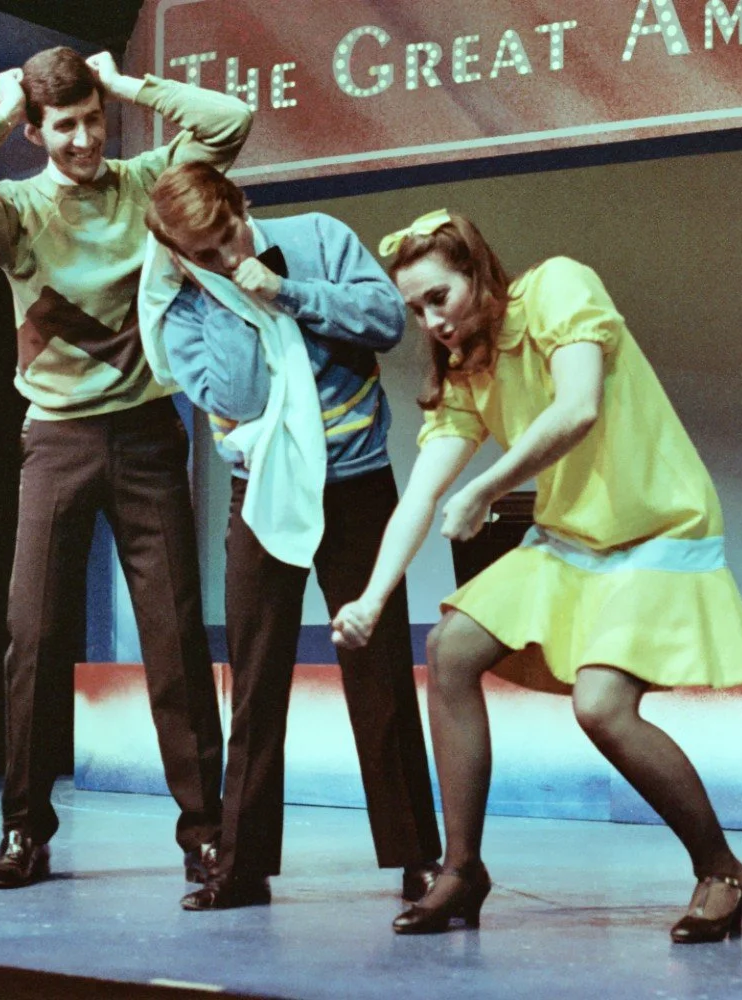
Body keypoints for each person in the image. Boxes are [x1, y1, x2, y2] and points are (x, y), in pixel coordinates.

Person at [332, 210, 742, 939]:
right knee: (450, 647)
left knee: (601, 708)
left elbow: (578, 407)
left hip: (659, 529)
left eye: (439, 296)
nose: (431, 320)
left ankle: (721, 869)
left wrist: (487, 488)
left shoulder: (558, 288)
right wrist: (372, 598)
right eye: (416, 310)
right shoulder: (466, 370)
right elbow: (420, 496)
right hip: (572, 541)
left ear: (477, 272)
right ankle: (461, 870)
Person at [0, 48, 253, 890]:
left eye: (92, 119)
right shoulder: (18, 211)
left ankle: (206, 833)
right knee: (32, 636)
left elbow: (231, 122)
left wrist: (129, 84)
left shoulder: (147, 183)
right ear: (37, 132)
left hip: (146, 435)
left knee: (174, 636)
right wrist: (2, 112)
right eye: (63, 125)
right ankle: (24, 832)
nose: (83, 138)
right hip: (56, 438)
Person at [138, 163, 442, 910]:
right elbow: (238, 400)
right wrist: (229, 298)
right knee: (256, 676)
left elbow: (387, 321)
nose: (224, 256)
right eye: (201, 252)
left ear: (243, 204)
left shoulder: (319, 237)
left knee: (379, 669)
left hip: (356, 478)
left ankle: (417, 858)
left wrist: (286, 291)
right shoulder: (182, 307)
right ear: (176, 254)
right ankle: (242, 866)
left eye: (228, 236)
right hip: (265, 493)